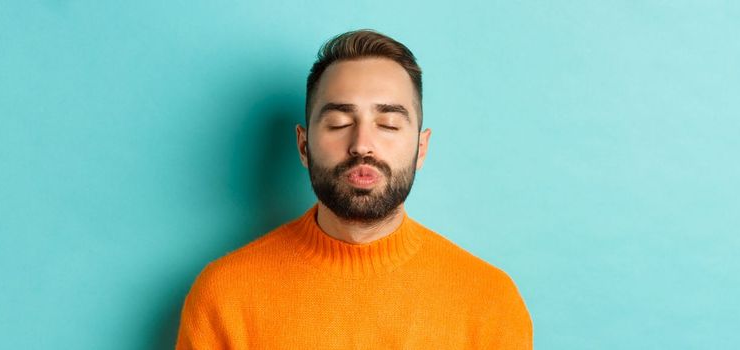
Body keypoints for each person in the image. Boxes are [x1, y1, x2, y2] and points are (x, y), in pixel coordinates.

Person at [175, 29, 532, 349]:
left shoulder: (490, 302)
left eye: (388, 124)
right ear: (303, 146)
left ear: (421, 148)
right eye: (339, 122)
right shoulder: (224, 296)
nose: (362, 144)